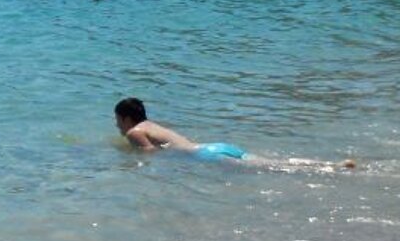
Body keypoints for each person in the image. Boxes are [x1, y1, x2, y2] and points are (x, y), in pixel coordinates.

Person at [114, 97, 356, 168]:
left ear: (126, 118)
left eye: (117, 120)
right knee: (276, 162)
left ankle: (334, 167)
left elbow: (150, 154)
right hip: (215, 146)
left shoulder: (134, 132)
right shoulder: (151, 124)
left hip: (206, 156)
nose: (117, 126)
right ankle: (332, 164)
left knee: (274, 167)